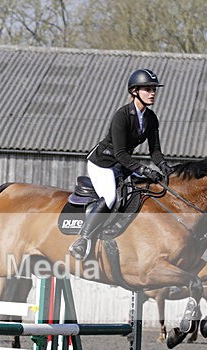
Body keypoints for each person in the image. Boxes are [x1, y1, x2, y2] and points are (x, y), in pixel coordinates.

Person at [69, 68, 175, 261]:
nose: (152, 93)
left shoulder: (151, 118)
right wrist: (143, 169)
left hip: (122, 164)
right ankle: (82, 239)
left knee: (143, 190)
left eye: (154, 89)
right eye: (147, 89)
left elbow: (155, 151)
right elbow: (120, 153)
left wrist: (165, 166)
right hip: (103, 163)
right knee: (110, 197)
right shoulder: (122, 115)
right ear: (134, 91)